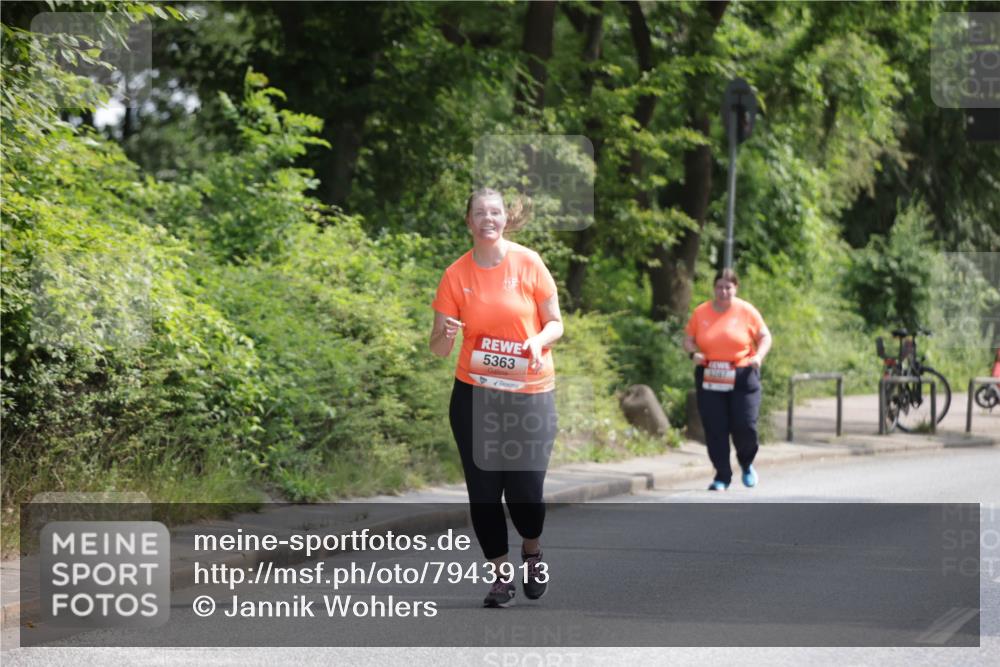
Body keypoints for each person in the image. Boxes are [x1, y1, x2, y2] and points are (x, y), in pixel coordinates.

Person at [429, 188, 563, 607]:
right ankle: (501, 577)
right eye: (479, 212)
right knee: (484, 493)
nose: (488, 218)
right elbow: (437, 347)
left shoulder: (528, 263)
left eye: (495, 211)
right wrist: (444, 335)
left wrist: (539, 341)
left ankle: (532, 549)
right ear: (468, 221)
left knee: (525, 491)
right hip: (474, 395)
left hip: (529, 394)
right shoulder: (456, 275)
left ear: (506, 218)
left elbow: (555, 322)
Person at [683, 268, 772, 491]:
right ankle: (722, 475)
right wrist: (694, 354)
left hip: (743, 374)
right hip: (711, 374)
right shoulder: (701, 312)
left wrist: (759, 356)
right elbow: (688, 339)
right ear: (714, 289)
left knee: (745, 425)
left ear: (735, 288)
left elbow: (765, 336)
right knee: (715, 427)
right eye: (719, 287)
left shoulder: (746, 311)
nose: (723, 292)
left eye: (728, 287)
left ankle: (746, 461)